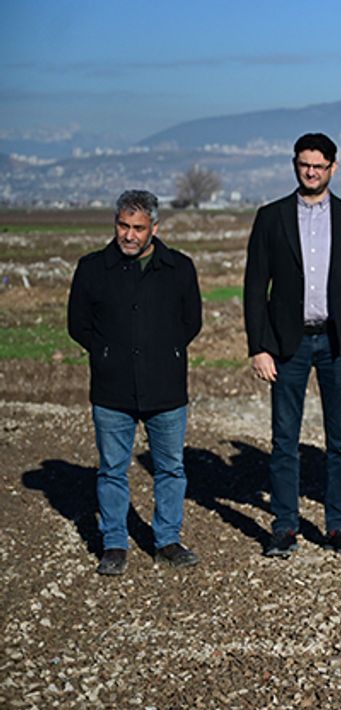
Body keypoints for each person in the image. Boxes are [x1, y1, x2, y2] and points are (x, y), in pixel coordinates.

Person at [244, 132, 341, 558]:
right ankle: (284, 526)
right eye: (304, 165)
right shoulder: (271, 217)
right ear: (295, 165)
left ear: (333, 168)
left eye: (319, 166)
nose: (311, 172)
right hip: (288, 344)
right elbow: (254, 287)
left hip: (339, 344)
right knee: (284, 439)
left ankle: (338, 525)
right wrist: (258, 346)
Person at [67, 190, 202, 575]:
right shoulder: (92, 268)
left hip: (166, 388)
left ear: (154, 228)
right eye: (123, 225)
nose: (129, 235)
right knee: (112, 469)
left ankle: (167, 541)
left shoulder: (179, 268)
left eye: (138, 228)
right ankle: (114, 544)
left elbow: (191, 322)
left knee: (171, 468)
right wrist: (108, 353)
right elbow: (78, 324)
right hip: (112, 388)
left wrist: (164, 351)